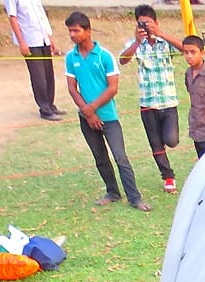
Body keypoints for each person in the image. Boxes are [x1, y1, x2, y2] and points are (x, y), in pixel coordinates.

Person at [63, 11, 149, 211]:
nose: (72, 35)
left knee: (120, 157)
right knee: (100, 157)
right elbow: (71, 88)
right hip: (86, 117)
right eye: (70, 31)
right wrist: (87, 113)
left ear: (88, 31)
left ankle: (134, 198)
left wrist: (92, 109)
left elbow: (113, 88)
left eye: (76, 30)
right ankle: (112, 192)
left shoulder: (104, 56)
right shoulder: (71, 57)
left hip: (108, 117)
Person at [119, 6, 184, 194]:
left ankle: (167, 156)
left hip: (168, 101)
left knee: (171, 140)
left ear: (156, 23)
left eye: (149, 23)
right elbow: (123, 60)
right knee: (156, 146)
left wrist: (161, 34)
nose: (146, 27)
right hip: (148, 104)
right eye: (142, 24)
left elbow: (184, 48)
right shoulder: (135, 44)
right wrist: (137, 42)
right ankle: (168, 176)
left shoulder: (165, 43)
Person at [5, 0, 64, 121]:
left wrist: (49, 38)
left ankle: (50, 105)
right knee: (38, 76)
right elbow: (13, 18)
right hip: (30, 40)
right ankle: (45, 109)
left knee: (48, 74)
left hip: (42, 38)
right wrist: (21, 42)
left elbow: (41, 15)